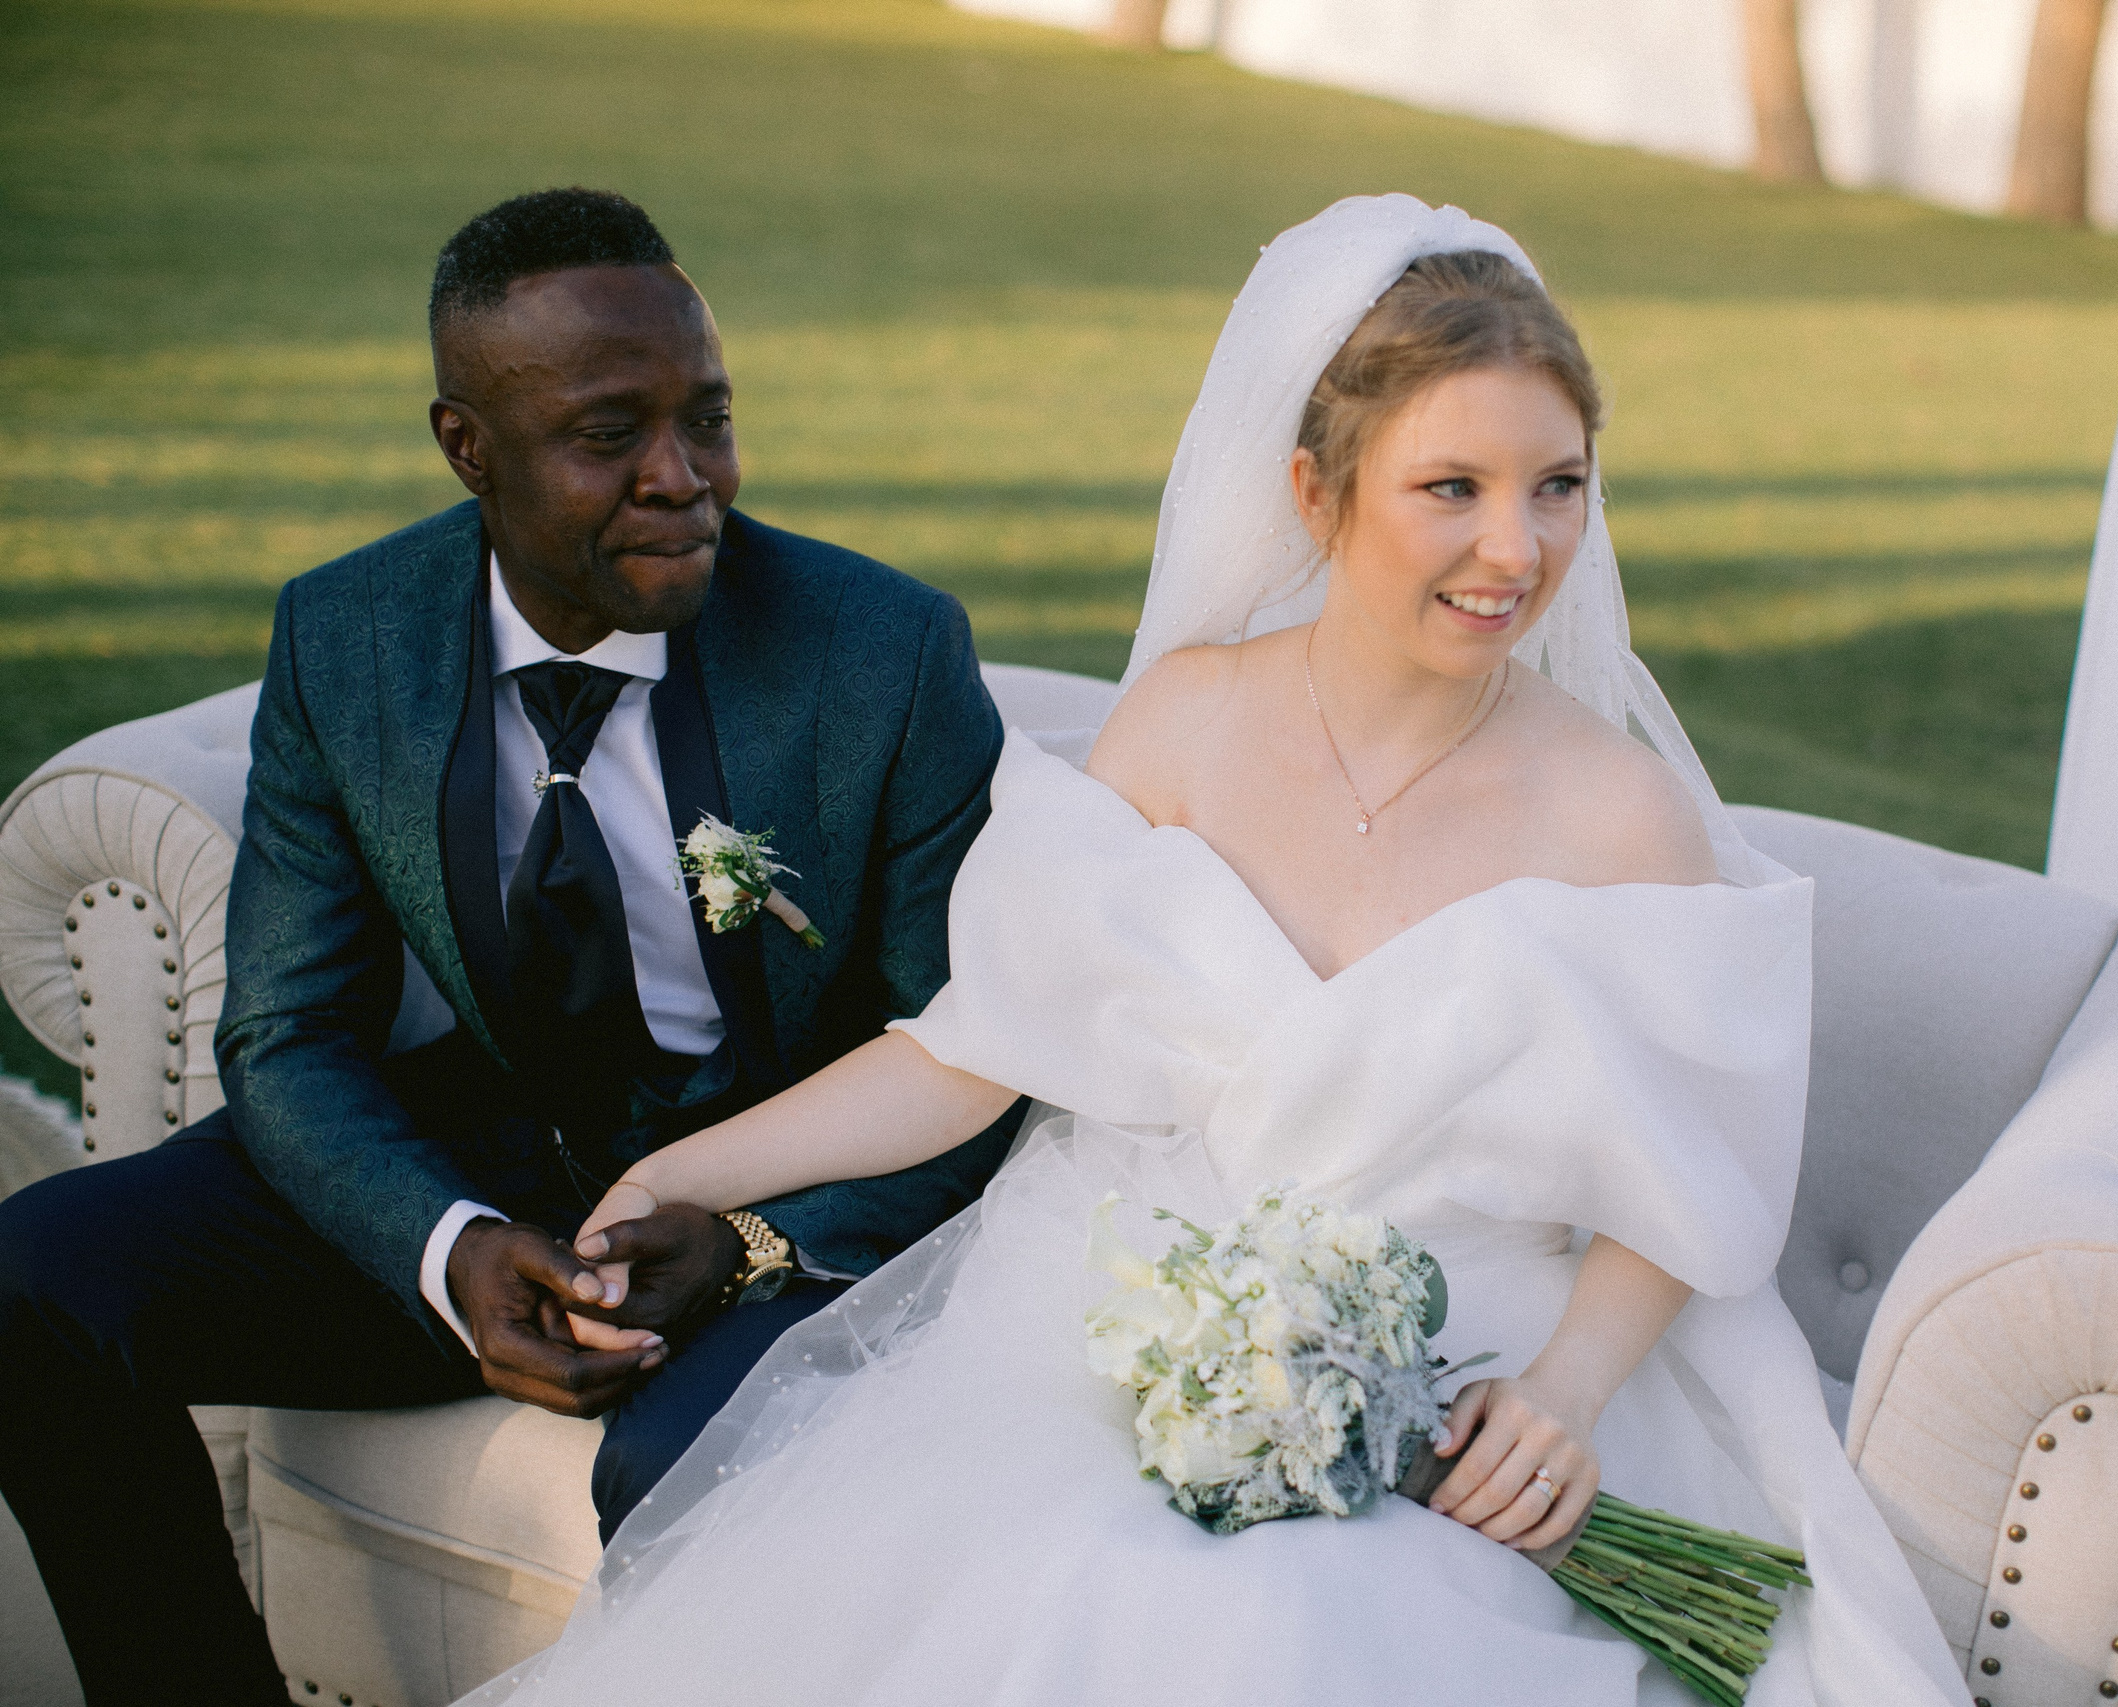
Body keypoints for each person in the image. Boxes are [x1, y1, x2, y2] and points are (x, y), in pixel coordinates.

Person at [469, 196, 1968, 1706]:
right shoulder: (1185, 720)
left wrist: (1564, 1397)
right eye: (1452, 486)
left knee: (1275, 1636)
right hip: (1126, 1332)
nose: (1516, 549)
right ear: (1316, 495)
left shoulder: (1619, 809)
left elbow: (1684, 1174)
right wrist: (686, 1174)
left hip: (1480, 1362)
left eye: (1559, 486)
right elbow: (973, 1050)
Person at [0, 187, 1019, 1706]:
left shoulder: (880, 652)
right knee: (34, 1284)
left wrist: (744, 1242)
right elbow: (288, 1034)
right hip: (487, 1164)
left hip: (781, 1198)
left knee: (691, 1475)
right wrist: (450, 1247)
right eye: (610, 437)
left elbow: (977, 1043)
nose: (683, 481)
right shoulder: (346, 640)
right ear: (467, 446)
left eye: (709, 420)